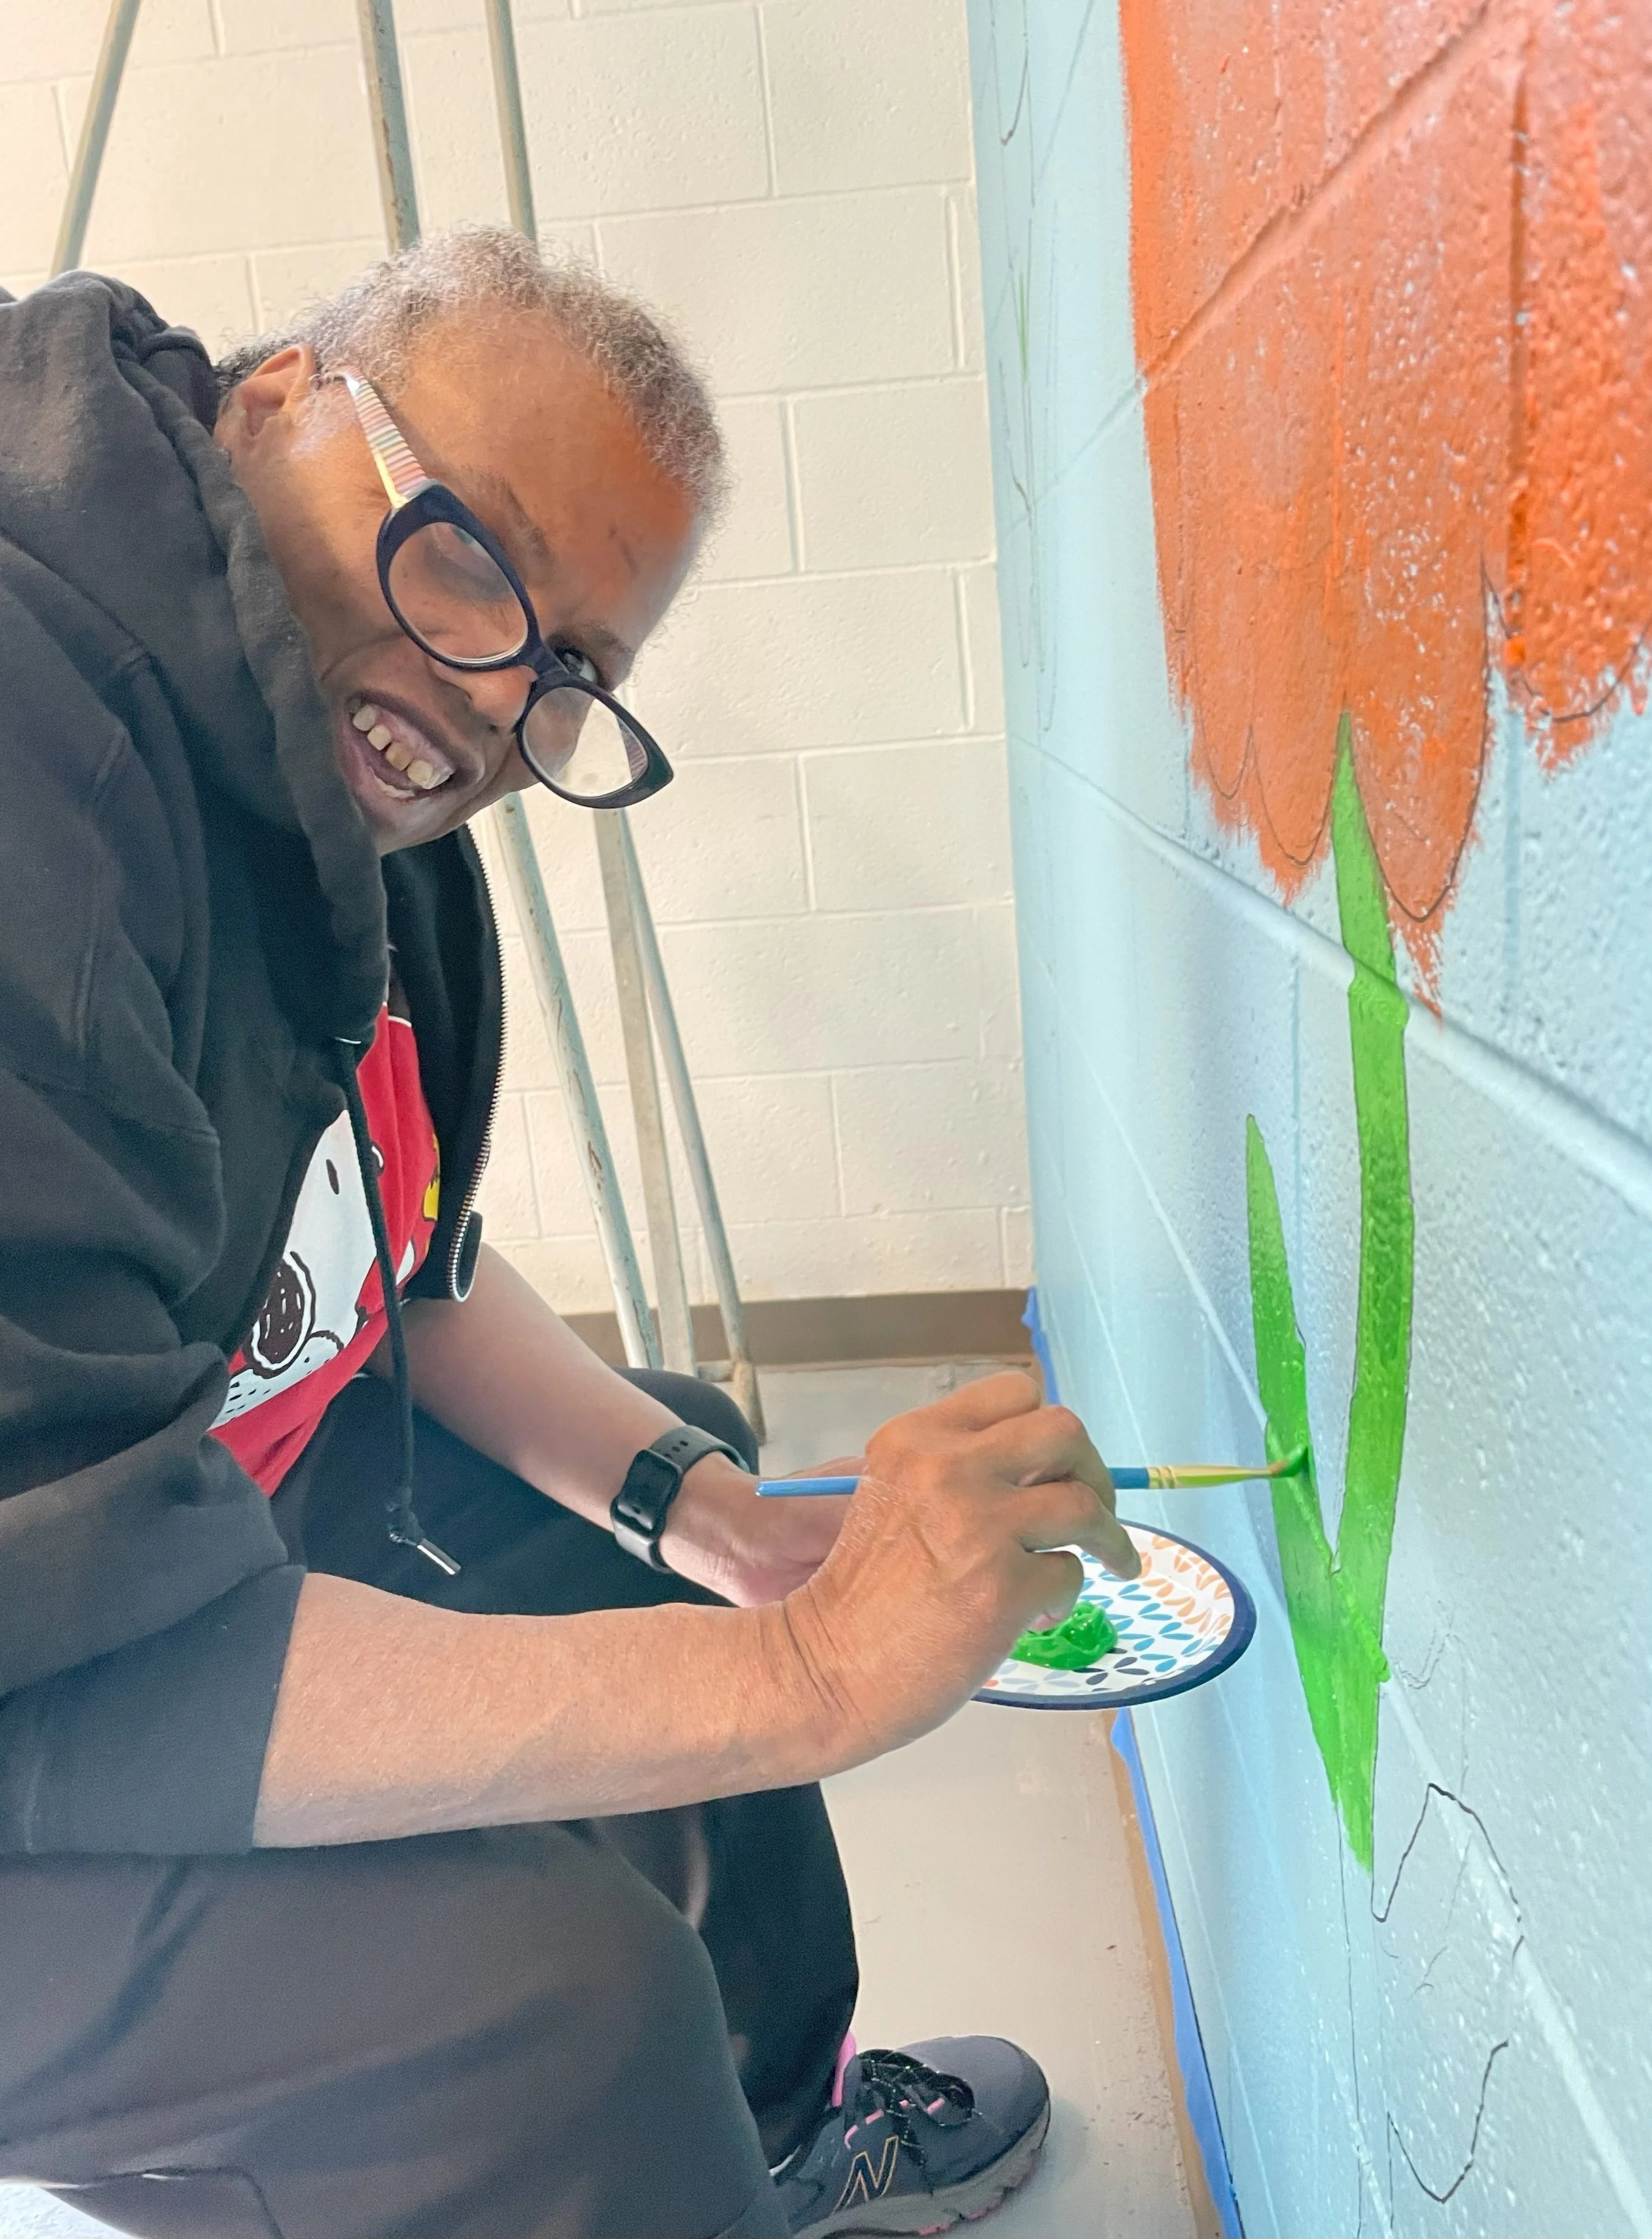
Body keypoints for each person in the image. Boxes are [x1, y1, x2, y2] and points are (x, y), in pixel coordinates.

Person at [0, 229, 1135, 2239]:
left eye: (571, 670)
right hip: (46, 1670)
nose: (491, 694)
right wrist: (811, 1664)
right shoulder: (45, 775)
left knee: (666, 1484)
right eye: (469, 553)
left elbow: (402, 1278)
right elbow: (82, 1654)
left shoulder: (351, 821)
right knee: (546, 2005)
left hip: (155, 1559)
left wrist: (714, 1525)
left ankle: (774, 2140)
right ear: (277, 399)